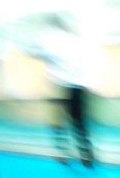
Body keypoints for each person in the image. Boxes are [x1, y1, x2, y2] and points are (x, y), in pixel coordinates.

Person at [36, 14, 97, 168]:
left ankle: (63, 153)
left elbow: (42, 54)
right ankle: (86, 155)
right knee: (79, 122)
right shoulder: (75, 40)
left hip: (60, 85)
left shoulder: (47, 39)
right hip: (78, 85)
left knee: (58, 121)